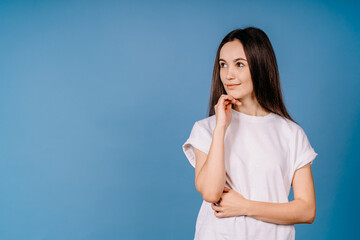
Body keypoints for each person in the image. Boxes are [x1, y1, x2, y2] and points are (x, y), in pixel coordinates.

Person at [182, 26, 318, 240]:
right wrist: (220, 128)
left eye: (239, 64)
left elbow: (307, 210)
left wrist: (245, 206)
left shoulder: (291, 134)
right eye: (223, 65)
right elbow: (211, 192)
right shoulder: (206, 129)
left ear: (261, 66)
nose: (229, 75)